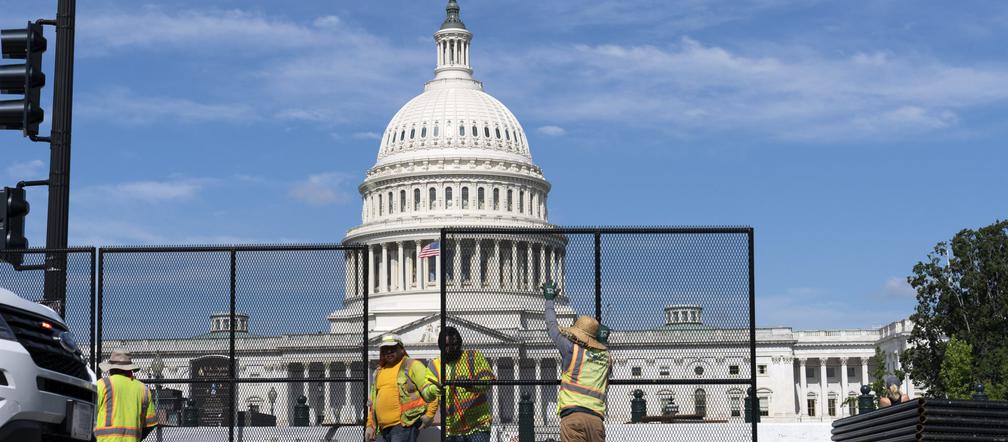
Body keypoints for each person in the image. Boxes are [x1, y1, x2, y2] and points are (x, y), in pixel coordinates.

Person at [542, 281, 611, 442]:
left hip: (573, 417)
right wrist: (602, 343)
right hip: (596, 420)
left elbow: (552, 327)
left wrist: (549, 299)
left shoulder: (571, 349)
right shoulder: (606, 358)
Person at [365, 334, 440, 442]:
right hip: (383, 429)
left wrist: (429, 415)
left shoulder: (412, 365)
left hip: (404, 425)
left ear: (401, 349)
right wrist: (370, 425)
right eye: (385, 349)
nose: (389, 352)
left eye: (393, 348)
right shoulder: (378, 372)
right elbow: (373, 403)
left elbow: (429, 390)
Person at [426, 326, 496, 442]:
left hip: (478, 424)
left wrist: (470, 385)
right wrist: (435, 389)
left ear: (459, 343)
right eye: (446, 346)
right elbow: (426, 392)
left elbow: (488, 380)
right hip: (451, 429)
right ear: (440, 346)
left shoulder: (473, 357)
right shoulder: (434, 365)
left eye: (454, 345)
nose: (450, 349)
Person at [94, 349, 158, 442]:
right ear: (129, 369)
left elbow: (88, 416)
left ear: (110, 368)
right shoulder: (143, 389)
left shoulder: (101, 385)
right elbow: (150, 424)